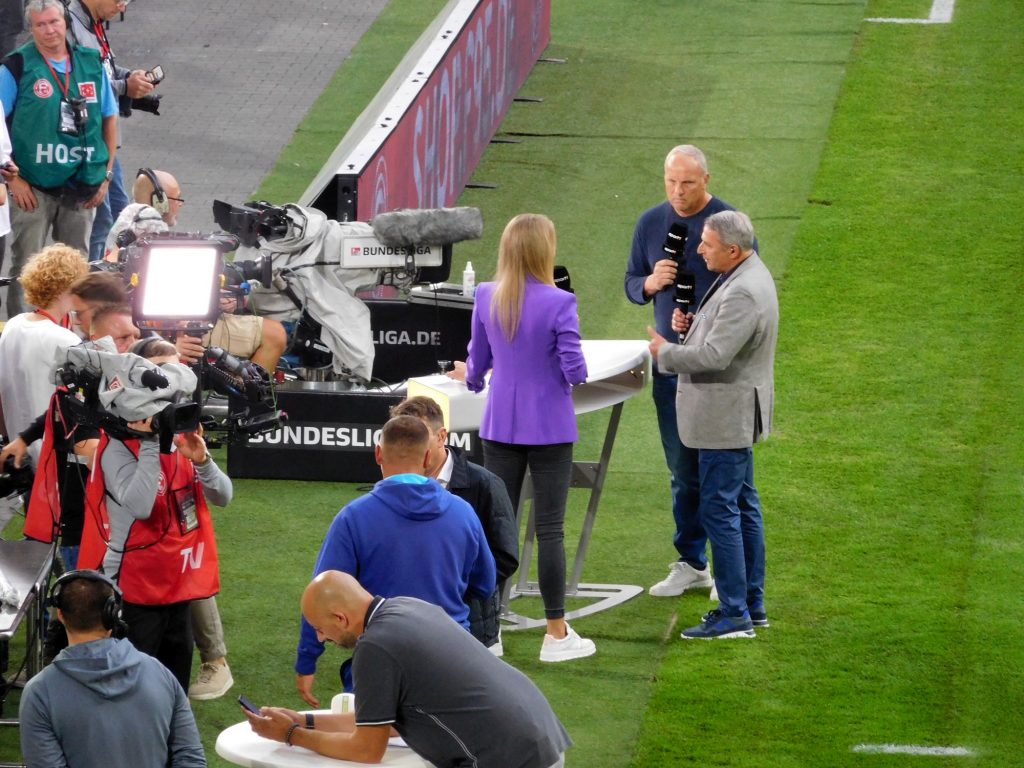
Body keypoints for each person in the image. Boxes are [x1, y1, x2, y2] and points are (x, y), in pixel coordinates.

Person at [250, 570, 571, 768]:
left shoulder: (374, 647)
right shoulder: (408, 607)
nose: (321, 638)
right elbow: (383, 724)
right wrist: (304, 720)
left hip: (506, 758)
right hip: (538, 737)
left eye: (320, 629)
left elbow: (367, 749)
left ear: (340, 618)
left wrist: (291, 735)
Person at [455, 212, 593, 663]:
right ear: (544, 251)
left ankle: (488, 633)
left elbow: (476, 368)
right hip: (550, 426)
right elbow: (575, 370)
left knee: (497, 529)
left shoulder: (486, 295)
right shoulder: (560, 302)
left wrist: (475, 377)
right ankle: (555, 633)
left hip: (500, 425)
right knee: (549, 530)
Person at [295, 415, 496, 707]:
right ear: (427, 457)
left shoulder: (353, 518)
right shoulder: (463, 513)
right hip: (452, 660)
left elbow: (322, 595)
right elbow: (485, 584)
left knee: (372, 734)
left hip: (381, 660)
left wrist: (307, 660)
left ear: (378, 453)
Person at [624, 144, 749, 599]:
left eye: (688, 183)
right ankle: (693, 563)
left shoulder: (730, 225)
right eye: (671, 182)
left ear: (706, 180)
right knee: (682, 469)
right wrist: (650, 283)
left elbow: (747, 292)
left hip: (717, 369)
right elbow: (631, 283)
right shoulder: (650, 223)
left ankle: (732, 568)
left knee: (725, 474)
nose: (678, 191)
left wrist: (701, 322)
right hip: (671, 367)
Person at [647, 210, 778, 639]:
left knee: (721, 511)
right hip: (732, 412)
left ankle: (735, 612)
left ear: (733, 250)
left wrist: (666, 352)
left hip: (724, 416)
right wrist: (693, 328)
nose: (699, 250)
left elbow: (715, 357)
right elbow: (722, 338)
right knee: (742, 507)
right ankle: (751, 605)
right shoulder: (745, 274)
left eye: (707, 243)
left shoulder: (743, 291)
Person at [77, 341, 233, 690]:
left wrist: (203, 461)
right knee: (132, 688)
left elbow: (223, 496)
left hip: (178, 585)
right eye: (162, 371)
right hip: (135, 591)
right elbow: (141, 507)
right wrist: (152, 442)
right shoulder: (116, 447)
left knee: (173, 686)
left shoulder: (181, 437)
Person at [0, 0, 118, 317]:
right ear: (31, 28)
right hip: (33, 187)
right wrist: (14, 180)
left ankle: (74, 334)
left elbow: (110, 119)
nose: (49, 30)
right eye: (40, 24)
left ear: (65, 22)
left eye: (54, 22)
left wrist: (106, 176)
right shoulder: (15, 67)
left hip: (83, 185)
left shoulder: (91, 63)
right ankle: (22, 332)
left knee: (76, 267)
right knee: (28, 266)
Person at [19, 569, 207, 767]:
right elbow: (191, 758)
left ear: (60, 615)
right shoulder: (160, 674)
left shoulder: (39, 693)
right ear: (112, 614)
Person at [390, 395, 519, 654]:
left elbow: (504, 556)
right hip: (407, 623)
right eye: (403, 440)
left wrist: (449, 584)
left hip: (470, 625)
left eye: (419, 438)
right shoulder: (394, 484)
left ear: (442, 436)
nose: (410, 448)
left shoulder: (485, 484)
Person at [124, 175, 289, 372]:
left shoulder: (129, 229)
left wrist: (217, 297)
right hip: (169, 330)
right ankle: (245, 388)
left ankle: (236, 382)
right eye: (177, 198)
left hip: (172, 326)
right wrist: (171, 343)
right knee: (275, 334)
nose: (180, 204)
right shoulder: (143, 243)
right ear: (160, 202)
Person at [66, 0, 157, 260]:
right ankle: (90, 278)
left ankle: (116, 274)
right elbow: (79, 85)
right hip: (87, 139)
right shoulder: (70, 26)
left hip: (104, 139)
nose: (122, 7)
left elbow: (103, 69)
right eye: (119, 0)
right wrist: (124, 87)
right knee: (101, 219)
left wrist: (130, 76)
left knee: (120, 213)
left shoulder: (92, 21)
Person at [0, 244, 89, 465]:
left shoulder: (13, 325)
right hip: (53, 456)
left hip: (18, 448)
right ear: (66, 288)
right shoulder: (65, 340)